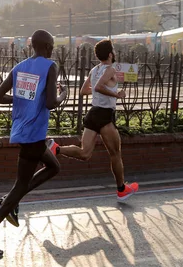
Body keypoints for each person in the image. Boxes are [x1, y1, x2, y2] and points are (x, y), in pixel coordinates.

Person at [0, 30, 67, 258]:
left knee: (53, 167)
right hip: (34, 133)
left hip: (23, 129)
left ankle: (10, 199)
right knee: (21, 185)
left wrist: (21, 99)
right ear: (45, 46)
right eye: (51, 45)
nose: (52, 49)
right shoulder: (50, 66)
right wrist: (65, 94)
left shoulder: (19, 67)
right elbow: (51, 102)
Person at [51, 39, 138, 201]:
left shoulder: (94, 70)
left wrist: (101, 91)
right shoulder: (110, 70)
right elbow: (98, 87)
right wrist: (116, 94)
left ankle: (56, 148)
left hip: (93, 113)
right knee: (115, 154)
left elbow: (84, 90)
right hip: (105, 115)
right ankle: (121, 190)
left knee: (85, 153)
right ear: (111, 54)